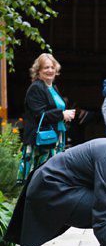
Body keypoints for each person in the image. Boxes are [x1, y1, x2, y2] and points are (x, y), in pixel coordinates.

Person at [18, 53, 75, 183]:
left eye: (52, 67)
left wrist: (64, 115)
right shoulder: (36, 87)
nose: (50, 70)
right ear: (38, 71)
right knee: (39, 179)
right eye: (46, 67)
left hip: (55, 137)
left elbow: (52, 110)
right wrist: (62, 114)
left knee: (53, 178)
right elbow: (39, 114)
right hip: (42, 141)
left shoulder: (52, 87)